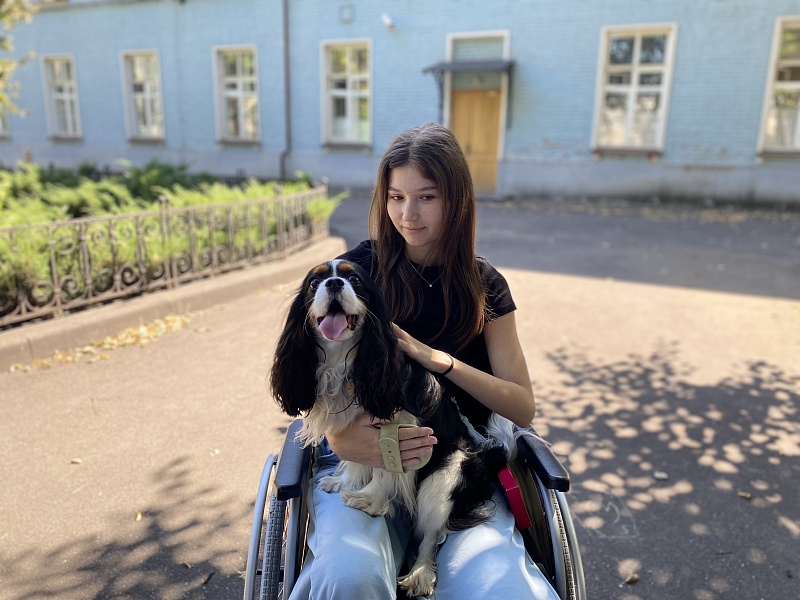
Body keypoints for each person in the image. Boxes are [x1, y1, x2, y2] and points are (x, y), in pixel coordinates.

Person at [288, 123, 560, 599]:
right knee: (349, 578)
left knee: (503, 590)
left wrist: (441, 362)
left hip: (454, 464)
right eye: (396, 197)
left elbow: (522, 406)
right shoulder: (358, 272)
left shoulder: (485, 286)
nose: (407, 214)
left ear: (457, 200)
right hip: (358, 461)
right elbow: (306, 362)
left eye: (426, 197)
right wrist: (339, 439)